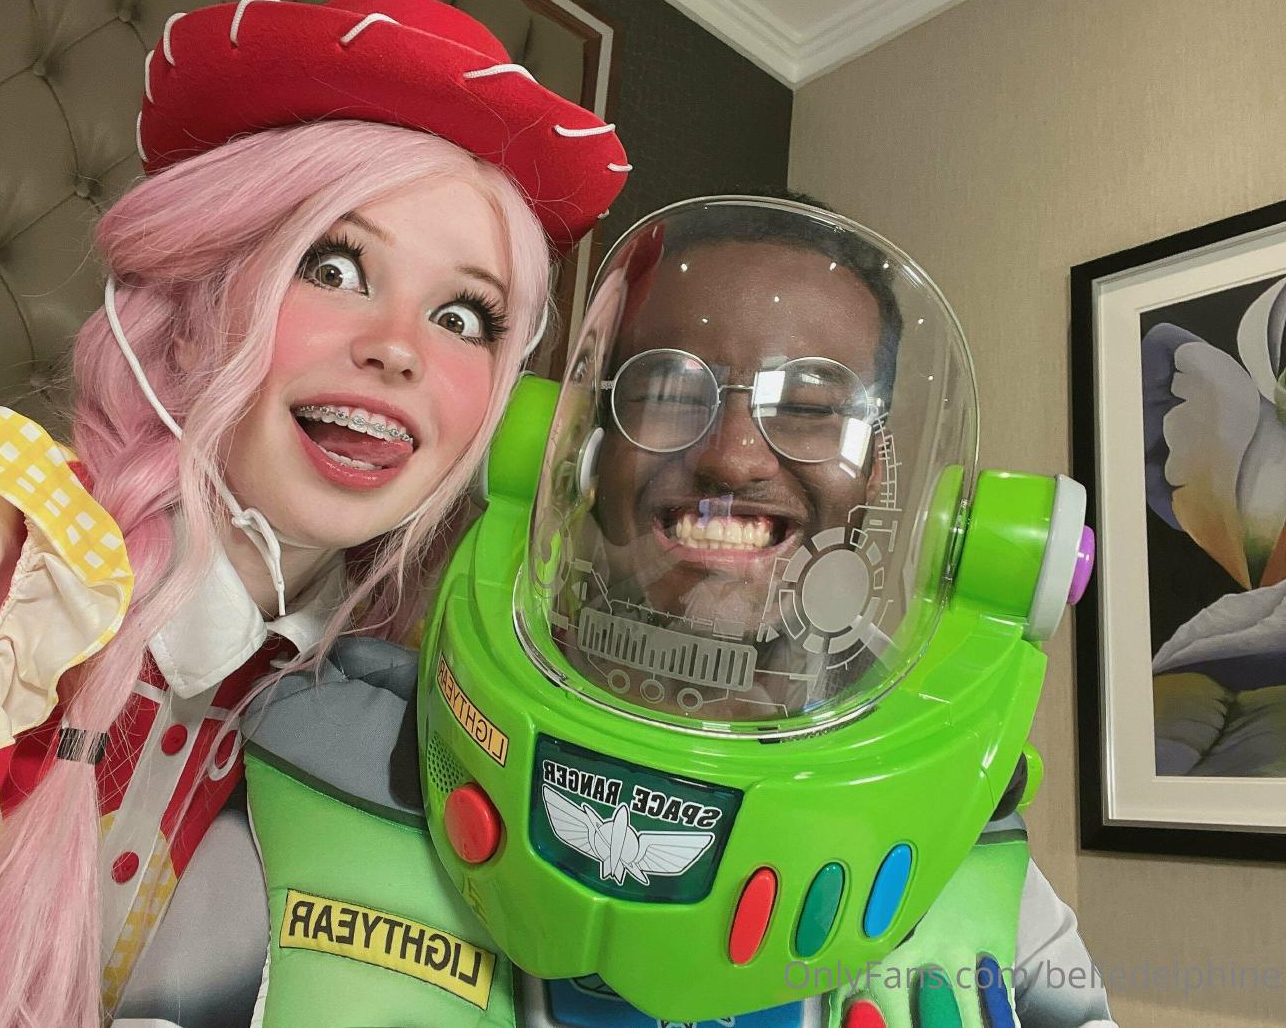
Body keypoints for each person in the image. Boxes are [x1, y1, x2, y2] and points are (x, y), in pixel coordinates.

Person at [179, 197, 1116, 1028]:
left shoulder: (980, 887)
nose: (734, 457)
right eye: (668, 391)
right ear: (572, 445)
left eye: (813, 407)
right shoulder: (323, 777)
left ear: (877, 474)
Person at [0, 0, 627, 1027]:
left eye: (464, 316)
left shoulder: (384, 728)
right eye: (334, 265)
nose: (398, 347)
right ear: (192, 310)